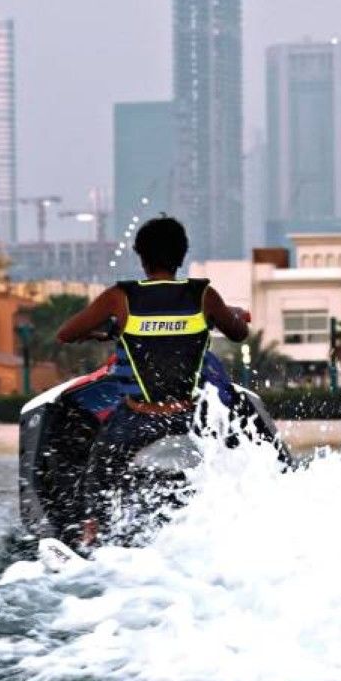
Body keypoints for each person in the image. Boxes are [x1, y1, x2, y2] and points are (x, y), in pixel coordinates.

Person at [56, 215, 252, 540]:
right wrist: (230, 314)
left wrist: (105, 331)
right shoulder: (204, 296)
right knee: (239, 452)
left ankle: (94, 533)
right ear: (182, 255)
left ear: (141, 256)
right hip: (192, 417)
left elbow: (66, 334)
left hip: (138, 419)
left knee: (98, 470)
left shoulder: (120, 297)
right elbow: (239, 332)